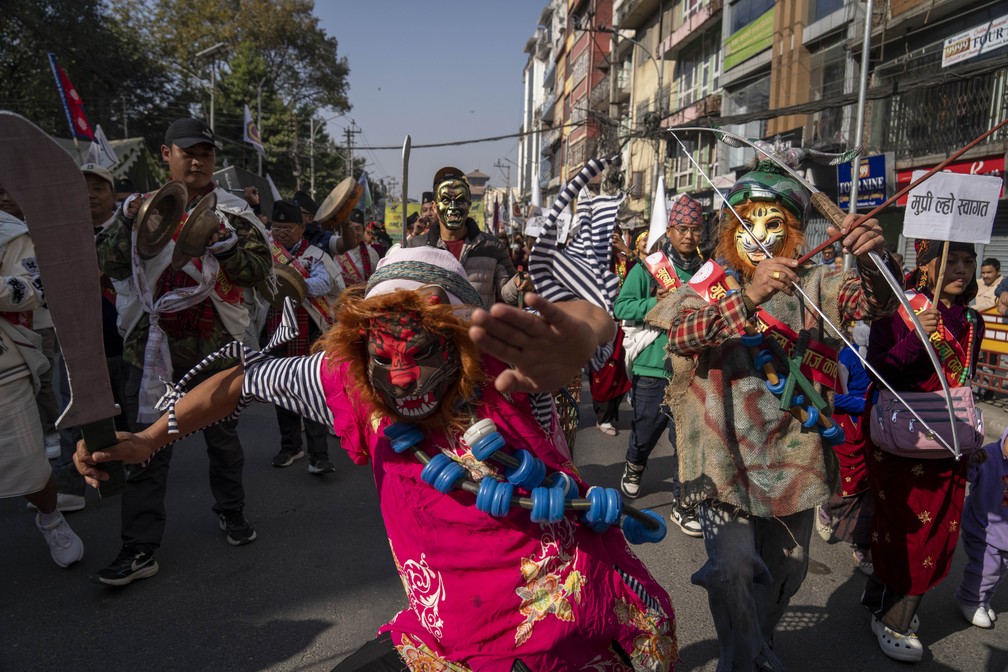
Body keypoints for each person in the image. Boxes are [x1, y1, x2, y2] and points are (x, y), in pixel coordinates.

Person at [76, 246, 679, 672]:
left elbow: (588, 319)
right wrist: (150, 438)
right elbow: (237, 382)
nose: (401, 373)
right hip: (446, 631)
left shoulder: (508, 371)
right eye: (381, 351)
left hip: (566, 626)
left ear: (461, 338)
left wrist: (581, 337)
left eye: (419, 347)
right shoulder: (348, 377)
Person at [653, 158, 898, 671]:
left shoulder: (818, 281)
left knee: (790, 570)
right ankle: (741, 661)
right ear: (728, 228)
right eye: (748, 223)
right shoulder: (706, 284)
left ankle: (757, 643)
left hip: (794, 459)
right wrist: (748, 296)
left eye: (774, 224)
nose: (760, 236)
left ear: (793, 231)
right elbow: (681, 335)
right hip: (720, 462)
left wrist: (874, 259)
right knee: (732, 569)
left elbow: (871, 302)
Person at [92, 117, 272, 586]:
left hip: (216, 349)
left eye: (206, 153)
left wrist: (229, 248)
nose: (197, 160)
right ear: (165, 154)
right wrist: (127, 219)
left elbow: (258, 274)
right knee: (143, 446)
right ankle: (138, 547)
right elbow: (107, 265)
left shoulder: (233, 211)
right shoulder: (141, 209)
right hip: (151, 349)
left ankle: (231, 511)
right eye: (187, 152)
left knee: (224, 442)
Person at [861, 239, 984, 662]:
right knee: (907, 530)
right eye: (952, 260)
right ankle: (893, 619)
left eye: (970, 261)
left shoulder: (972, 318)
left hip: (949, 439)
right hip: (902, 440)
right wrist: (916, 336)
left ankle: (880, 602)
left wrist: (974, 434)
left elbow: (963, 380)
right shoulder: (898, 308)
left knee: (939, 529)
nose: (963, 270)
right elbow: (875, 371)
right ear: (927, 266)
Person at [0, 196, 84, 568]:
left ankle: (51, 518)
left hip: (5, 367)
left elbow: (34, 288)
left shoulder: (10, 232)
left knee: (30, 467)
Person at [614, 195, 704, 539]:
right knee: (645, 430)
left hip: (691, 370)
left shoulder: (706, 271)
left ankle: (684, 505)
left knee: (688, 441)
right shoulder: (649, 268)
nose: (689, 236)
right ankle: (634, 465)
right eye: (682, 228)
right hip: (653, 365)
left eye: (695, 229)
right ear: (670, 230)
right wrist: (657, 302)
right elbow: (622, 305)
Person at [264, 199, 341, 473]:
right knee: (281, 389)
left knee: (312, 391)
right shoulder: (265, 252)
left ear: (301, 227)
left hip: (308, 332)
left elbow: (324, 283)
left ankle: (319, 455)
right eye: (277, 226)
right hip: (276, 331)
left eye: (288, 227)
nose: (281, 232)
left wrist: (289, 282)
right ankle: (290, 447)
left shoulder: (316, 256)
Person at [408, 167, 529, 307]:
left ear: (469, 204)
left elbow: (506, 291)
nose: (453, 207)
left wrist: (519, 283)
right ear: (434, 207)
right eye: (446, 200)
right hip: (435, 327)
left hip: (477, 326)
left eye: (460, 200)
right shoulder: (416, 246)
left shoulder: (490, 246)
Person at [955, 426, 1008, 629]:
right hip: (983, 525)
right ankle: (969, 599)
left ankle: (983, 599)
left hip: (1004, 532)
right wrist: (971, 460)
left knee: (1001, 569)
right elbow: (969, 474)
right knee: (986, 567)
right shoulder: (988, 454)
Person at [333, 209, 380, 288]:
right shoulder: (334, 250)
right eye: (350, 229)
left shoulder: (372, 254)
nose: (354, 233)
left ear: (363, 231)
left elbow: (376, 281)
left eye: (357, 229)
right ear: (342, 231)